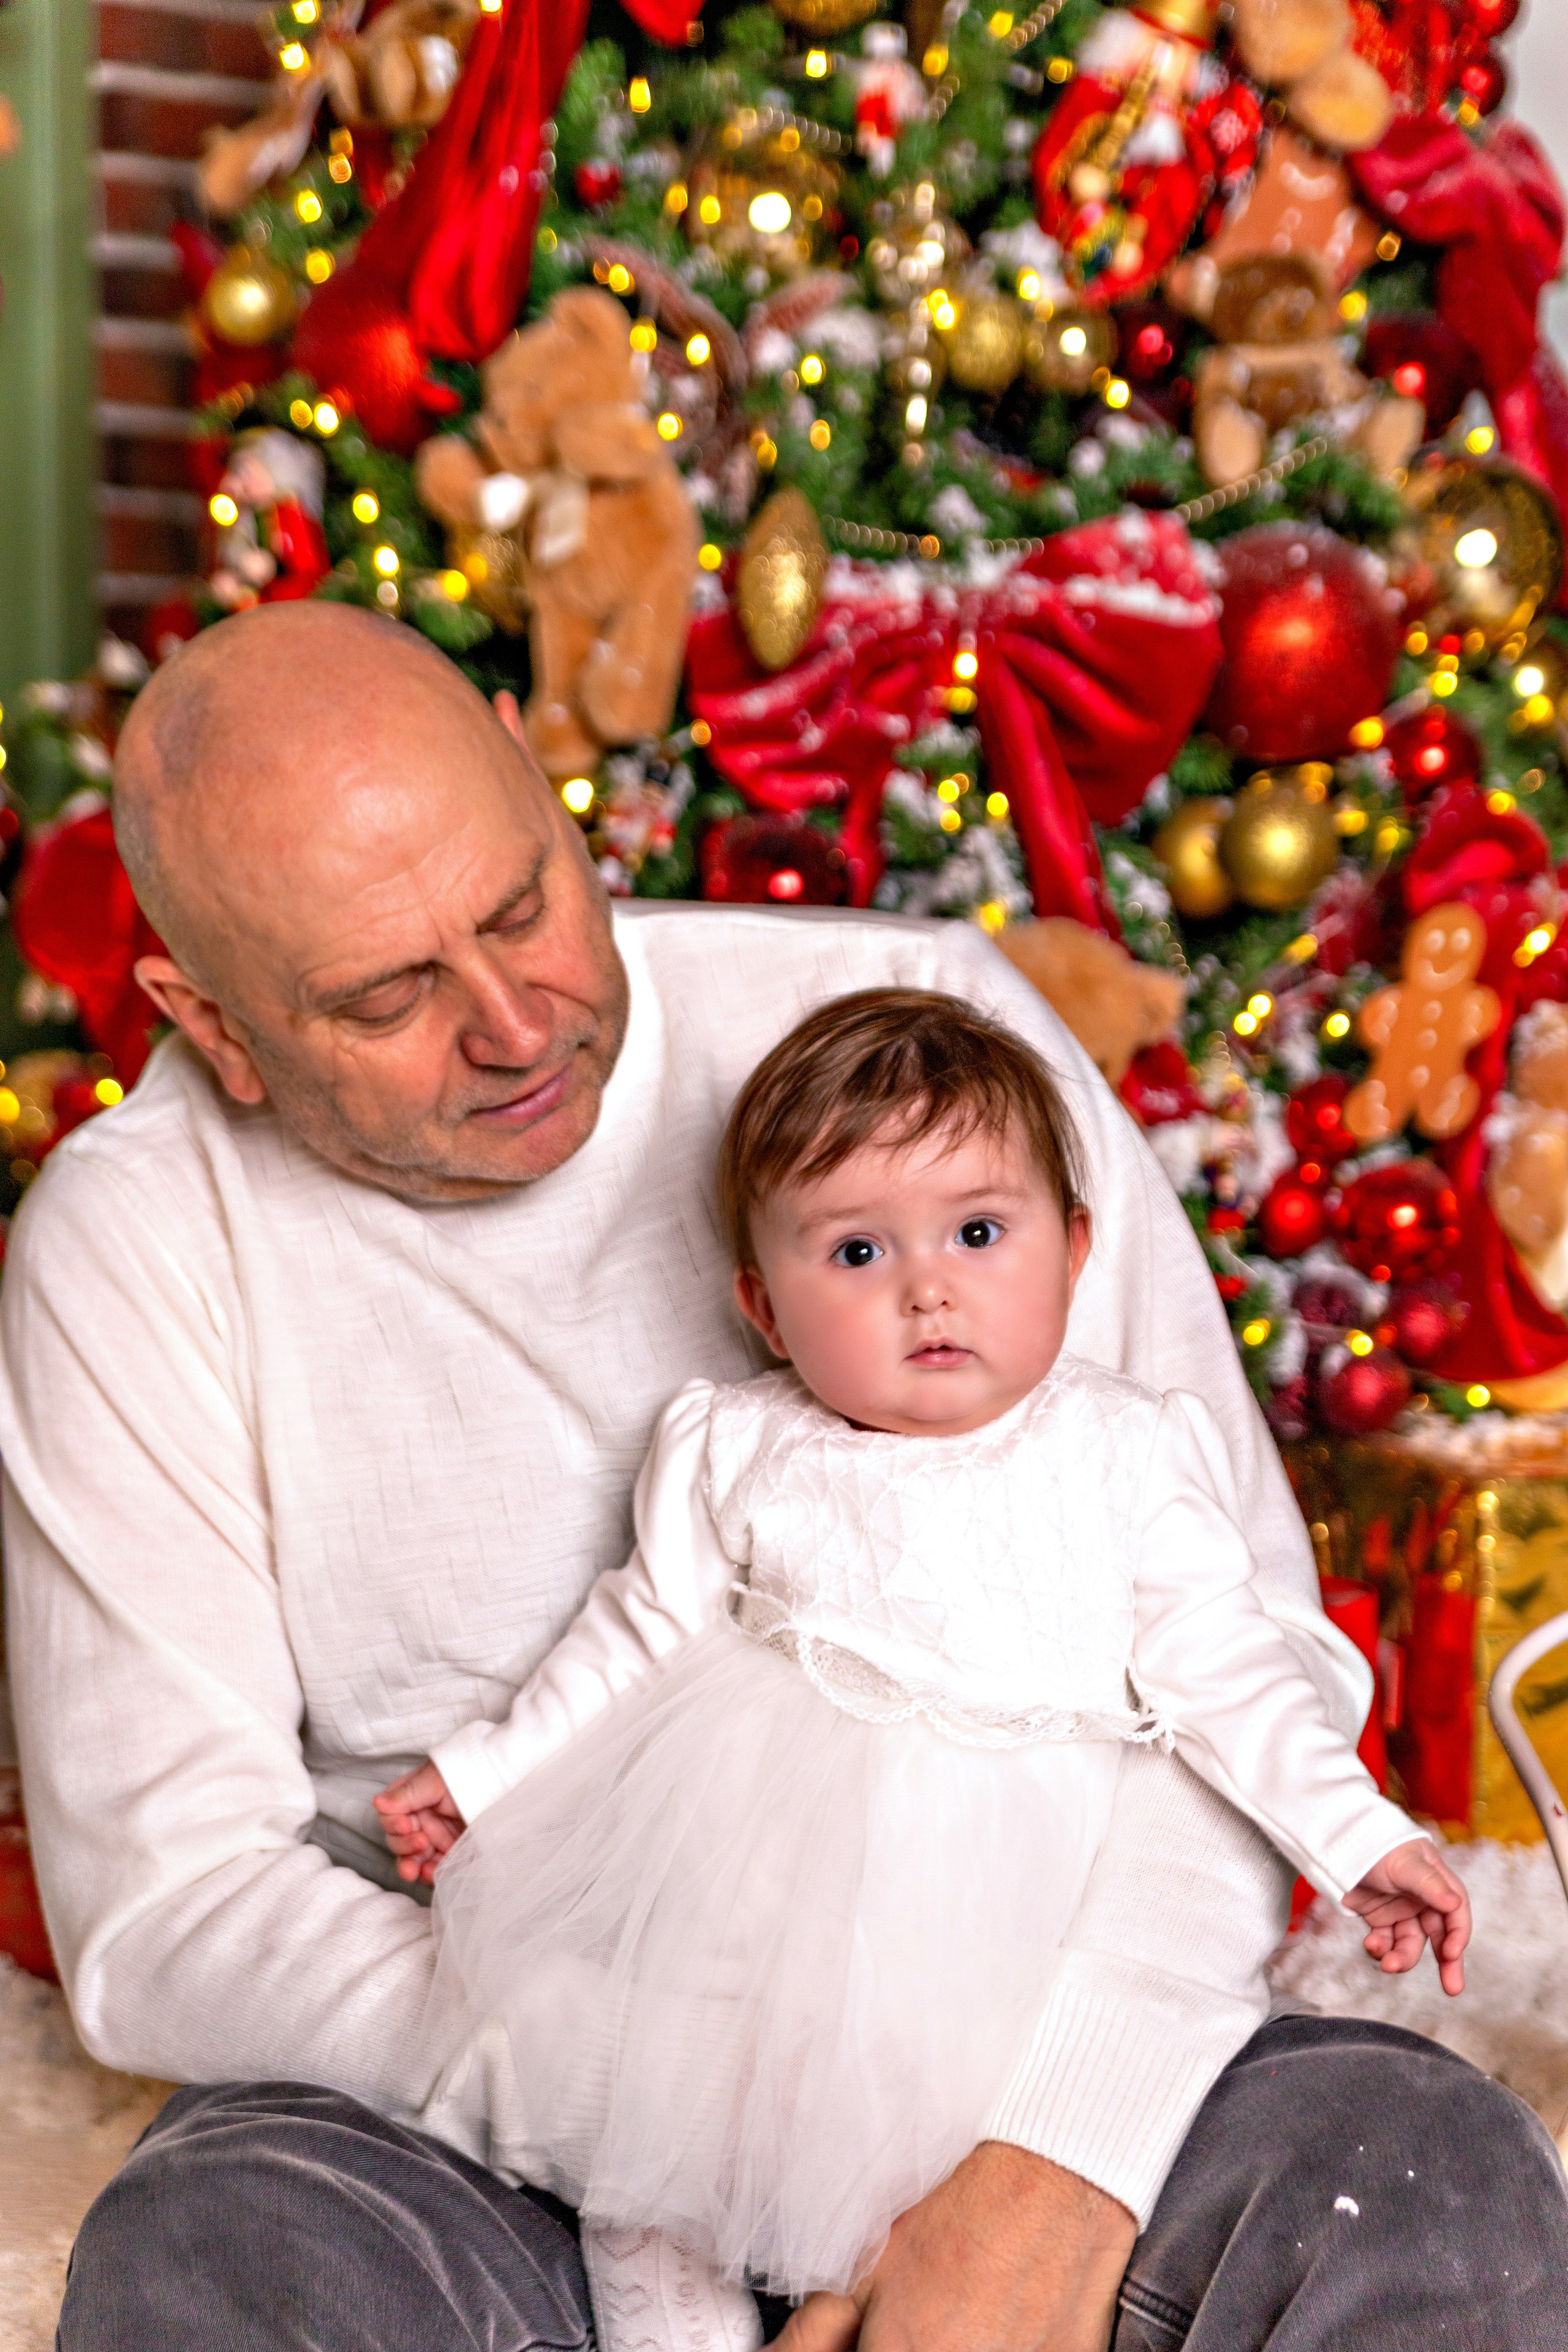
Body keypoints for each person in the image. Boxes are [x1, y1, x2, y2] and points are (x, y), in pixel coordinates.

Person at [0, 601, 1561, 2352]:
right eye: (386, 997)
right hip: (477, 2071)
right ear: (206, 1019)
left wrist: (1061, 2153)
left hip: (1008, 2007)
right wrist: (657, 2091)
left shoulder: (916, 1037)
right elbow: (168, 1912)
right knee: (215, 2258)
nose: (516, 1026)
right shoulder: (136, 1242)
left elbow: (1241, 1656)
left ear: (535, 764)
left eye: (522, 904)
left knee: (1426, 2173)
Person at [379, 988, 1470, 2352]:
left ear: (1073, 1253)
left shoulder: (1127, 1451)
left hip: (1006, 1911)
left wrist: (1358, 1834)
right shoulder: (732, 1442)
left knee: (933, 2162)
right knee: (652, 2135)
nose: (925, 1287)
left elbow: (1229, 1673)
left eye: (975, 1231)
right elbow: (633, 1633)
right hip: (753, 1873)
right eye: (852, 1250)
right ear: (761, 1306)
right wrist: (481, 1774)